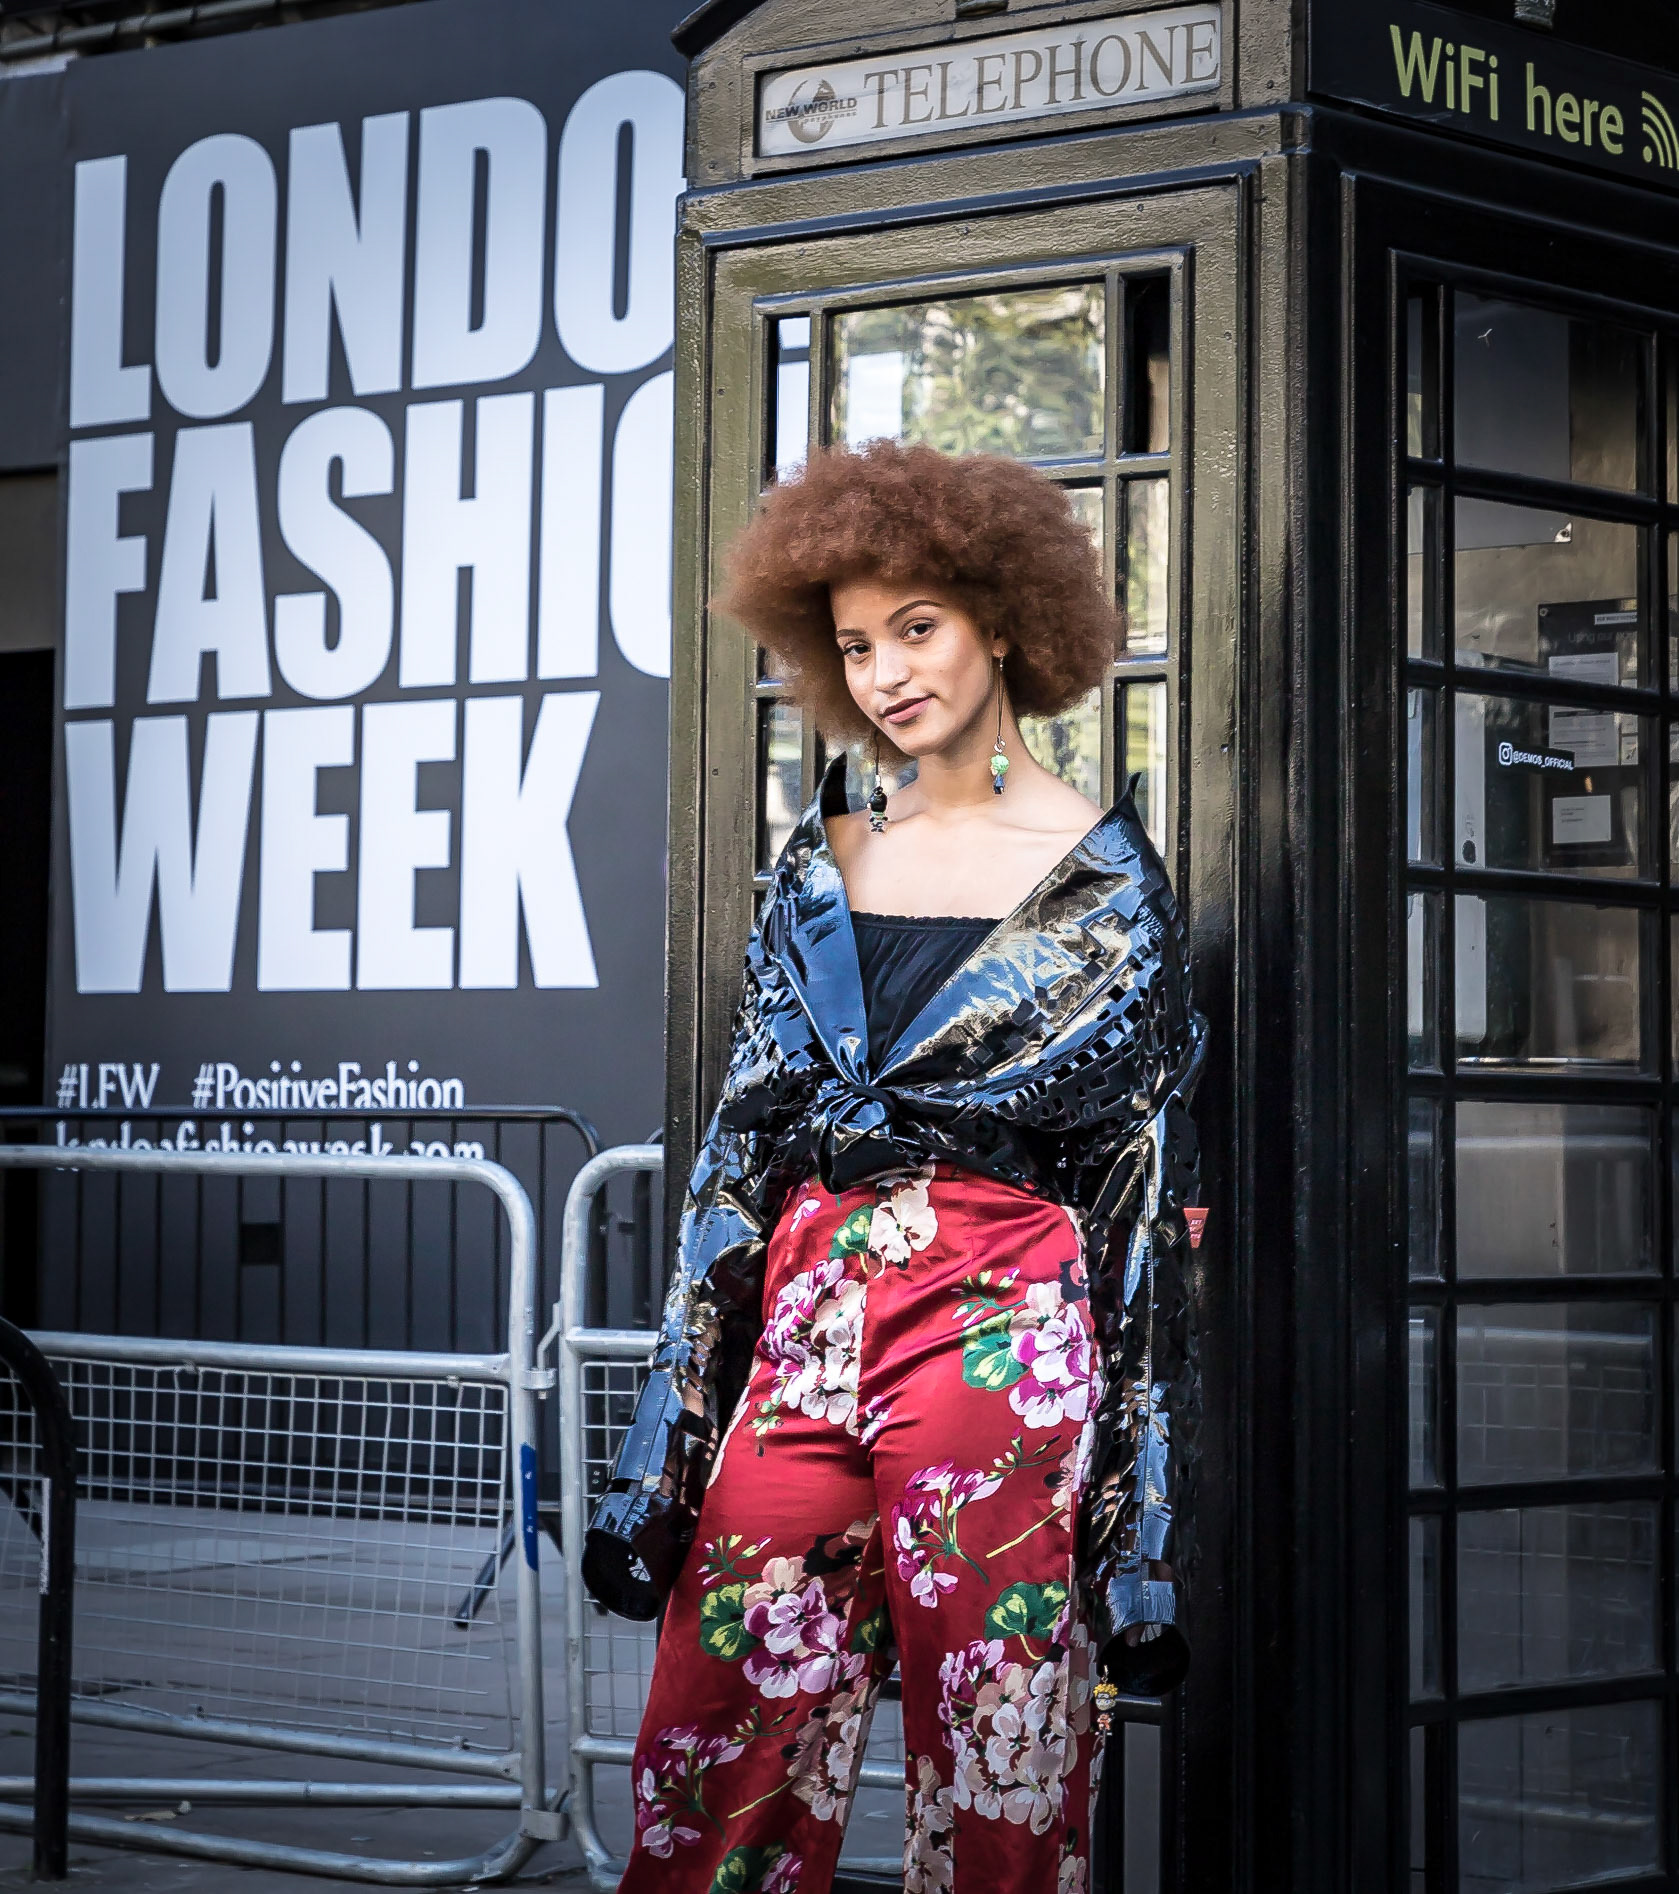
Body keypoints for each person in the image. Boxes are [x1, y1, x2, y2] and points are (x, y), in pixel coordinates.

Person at [583, 439, 1205, 1894]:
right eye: (856, 644)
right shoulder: (825, 860)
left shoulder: (1113, 890)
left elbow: (1140, 1218)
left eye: (916, 628)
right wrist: (659, 1453)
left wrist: (1142, 1535)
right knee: (713, 1728)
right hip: (808, 1322)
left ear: (1007, 621)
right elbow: (737, 1158)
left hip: (1001, 1326)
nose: (885, 673)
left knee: (998, 1746)